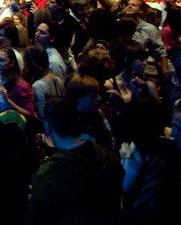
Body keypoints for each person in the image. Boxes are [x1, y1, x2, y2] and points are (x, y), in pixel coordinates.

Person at [27, 97, 123, 225]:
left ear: (48, 126)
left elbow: (35, 220)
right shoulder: (109, 158)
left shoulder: (47, 175)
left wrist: (34, 197)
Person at [22, 45, 63, 120]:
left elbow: (42, 115)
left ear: (30, 62)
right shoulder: (58, 80)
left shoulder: (38, 85)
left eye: (24, 60)